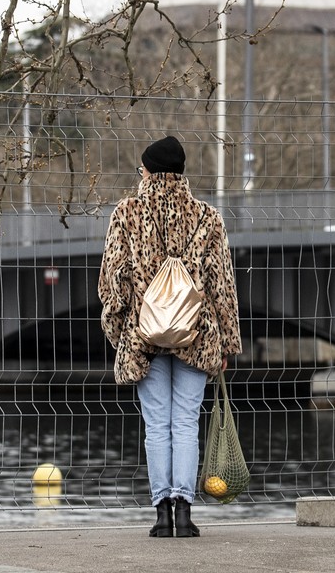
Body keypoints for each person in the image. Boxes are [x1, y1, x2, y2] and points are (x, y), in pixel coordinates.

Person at [98, 134, 241, 539]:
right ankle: (185, 512)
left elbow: (113, 282)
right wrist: (227, 341)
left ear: (147, 171)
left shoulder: (127, 213)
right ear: (180, 173)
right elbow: (222, 285)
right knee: (186, 422)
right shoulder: (207, 217)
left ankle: (161, 513)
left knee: (157, 426)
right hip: (197, 334)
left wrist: (120, 332)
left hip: (144, 336)